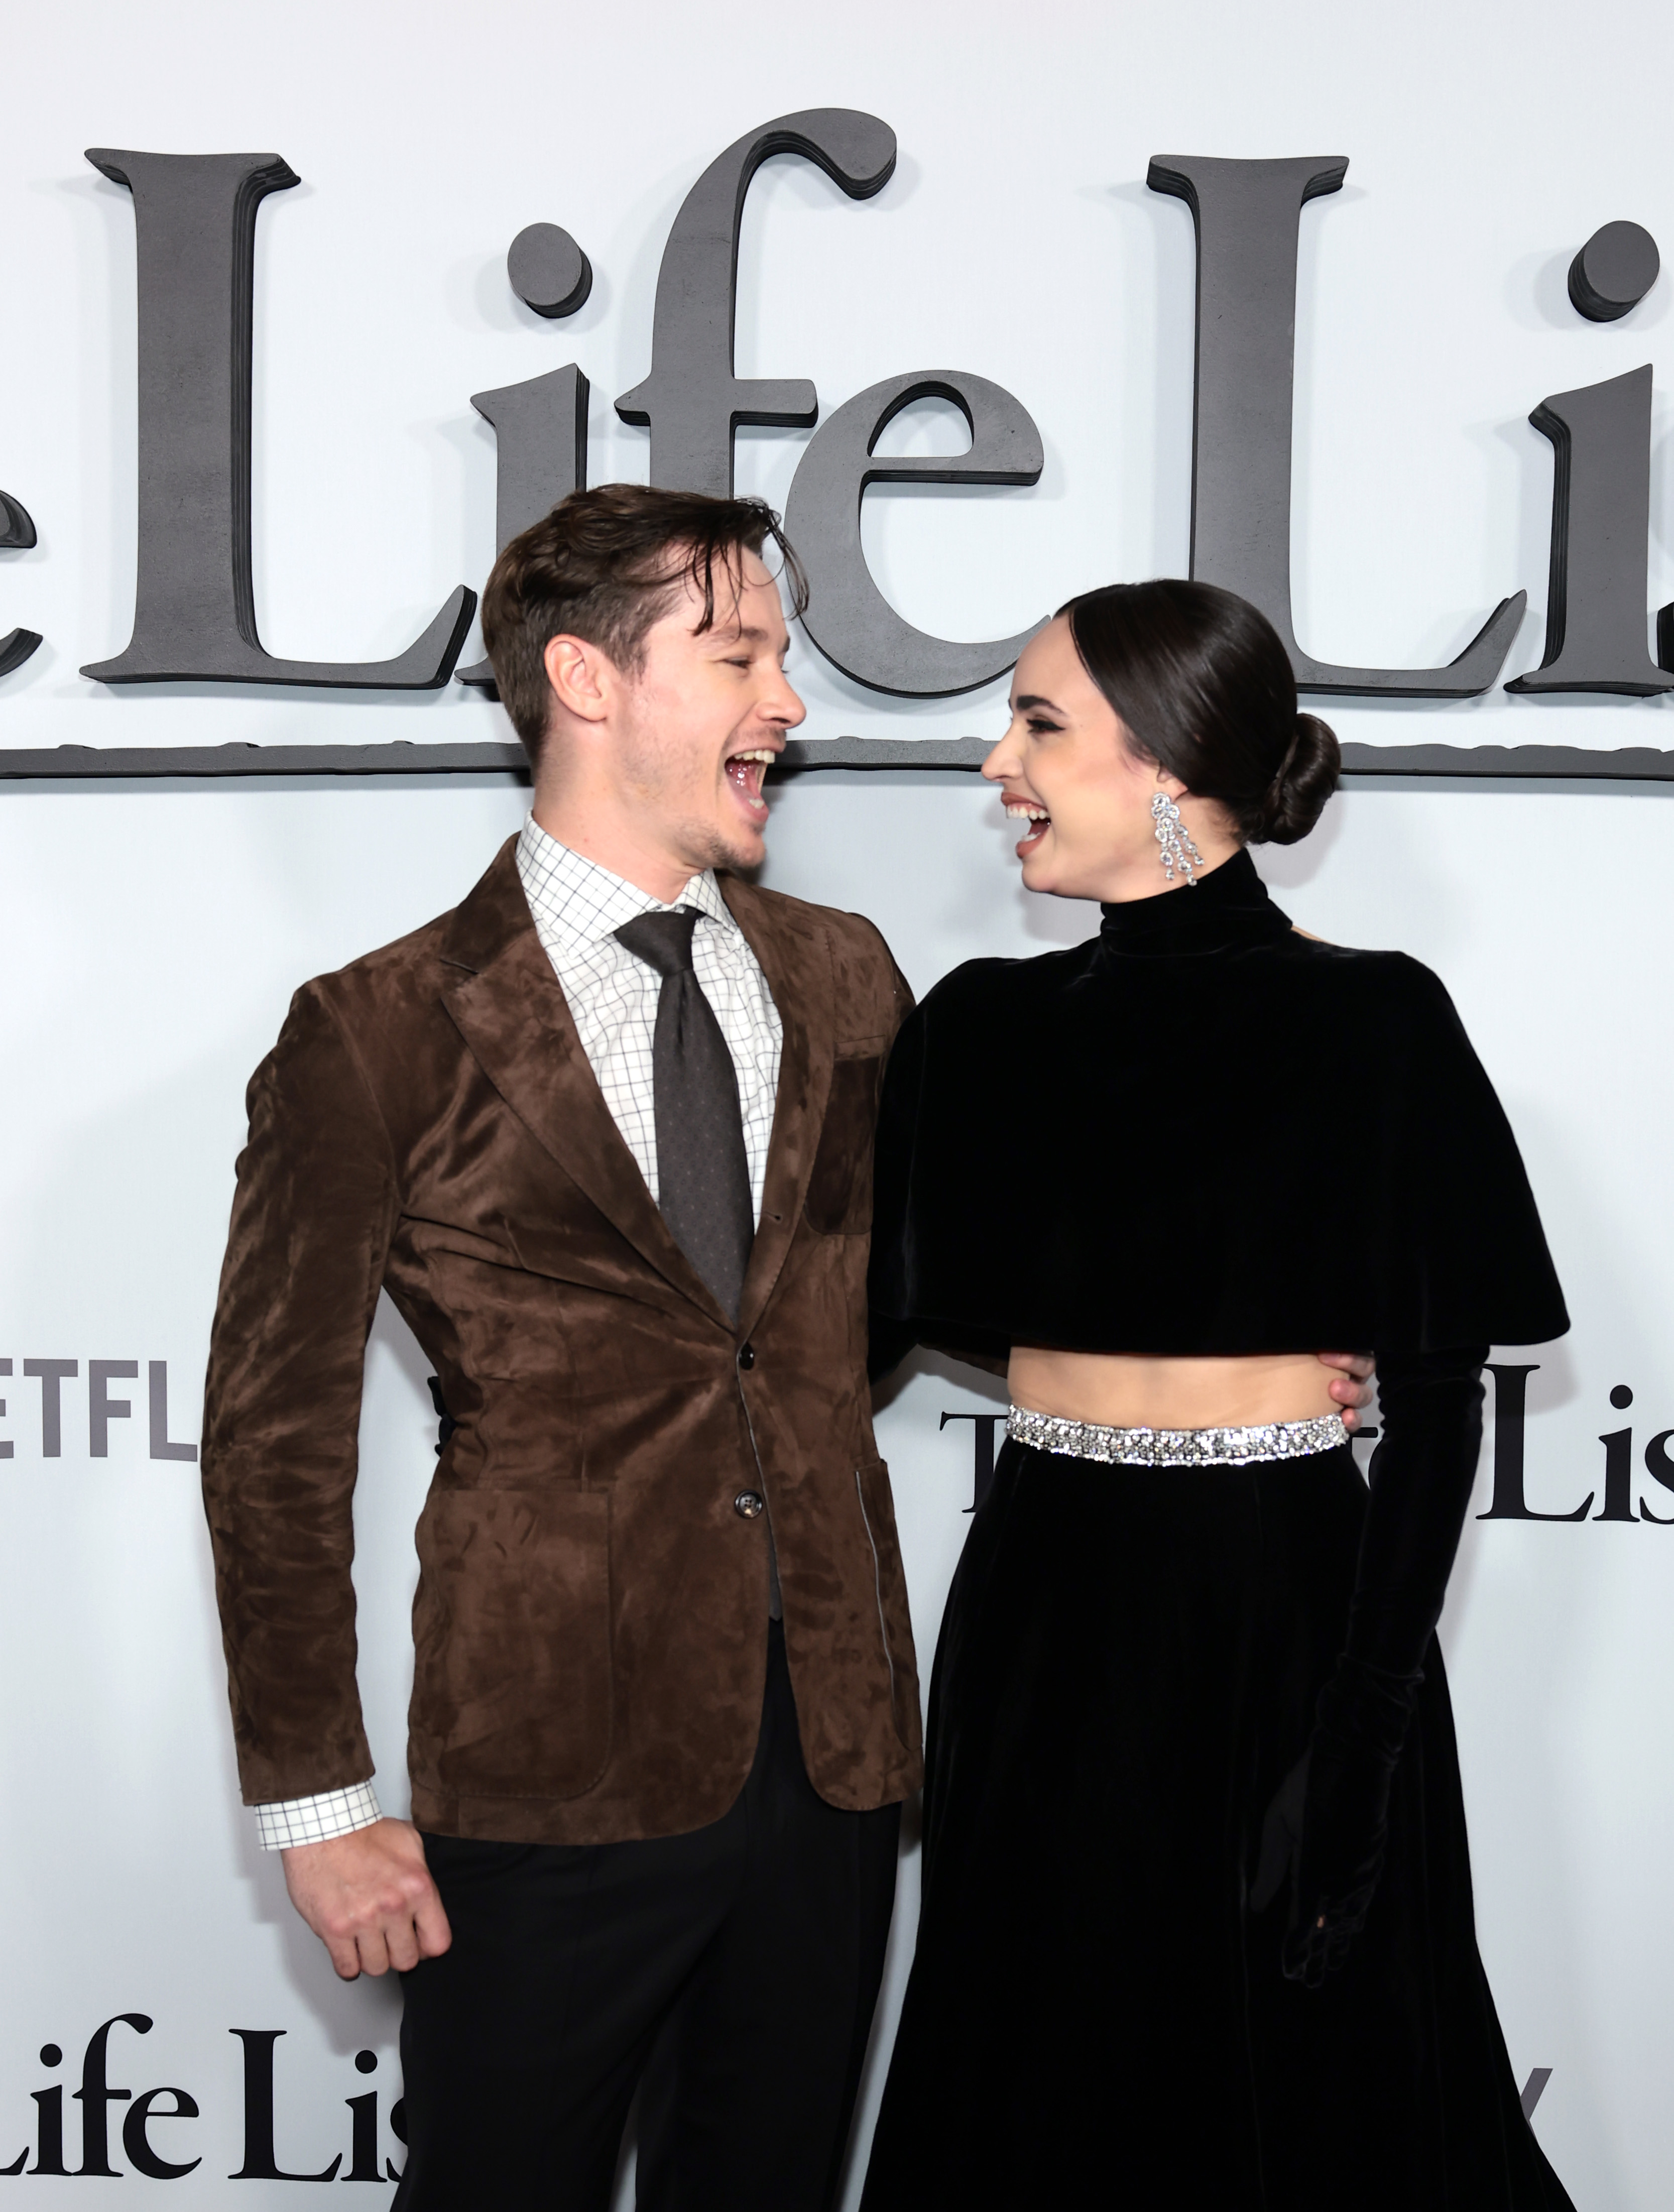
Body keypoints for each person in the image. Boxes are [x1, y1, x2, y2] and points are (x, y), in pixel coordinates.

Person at [199, 487, 926, 2212]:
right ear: (588, 681)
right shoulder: (378, 1029)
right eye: (739, 657)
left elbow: (903, 1300)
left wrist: (1243, 1361)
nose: (789, 704)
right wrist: (319, 1807)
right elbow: (272, 1444)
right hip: (547, 1765)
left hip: (831, 1758)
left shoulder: (845, 977)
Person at [860, 579, 1576, 2211]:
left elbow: (1441, 1406)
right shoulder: (982, 1027)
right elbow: (886, 1327)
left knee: (1314, 2097)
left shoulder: (1373, 1019)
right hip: (1044, 1611)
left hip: (1285, 1617)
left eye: (1037, 722)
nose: (995, 763)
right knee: (1037, 2089)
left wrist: (1362, 1741)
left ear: (1168, 761)